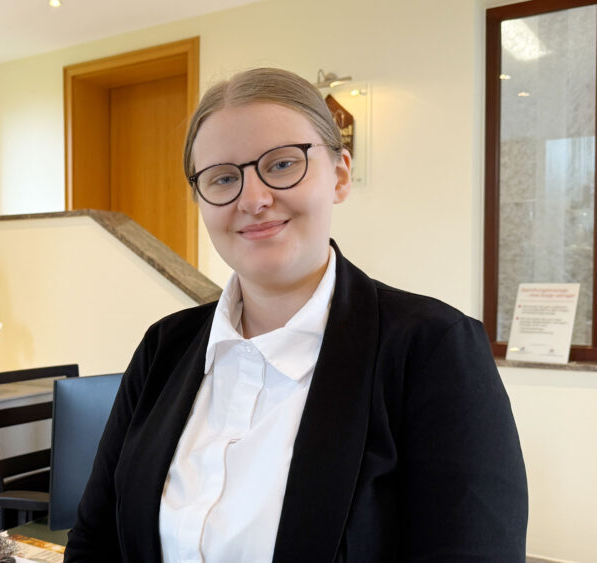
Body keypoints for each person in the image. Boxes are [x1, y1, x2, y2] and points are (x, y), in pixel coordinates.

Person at [65, 68, 528, 562]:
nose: (253, 198)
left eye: (283, 165)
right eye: (223, 177)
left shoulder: (434, 349)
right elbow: (96, 541)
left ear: (340, 175)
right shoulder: (165, 347)